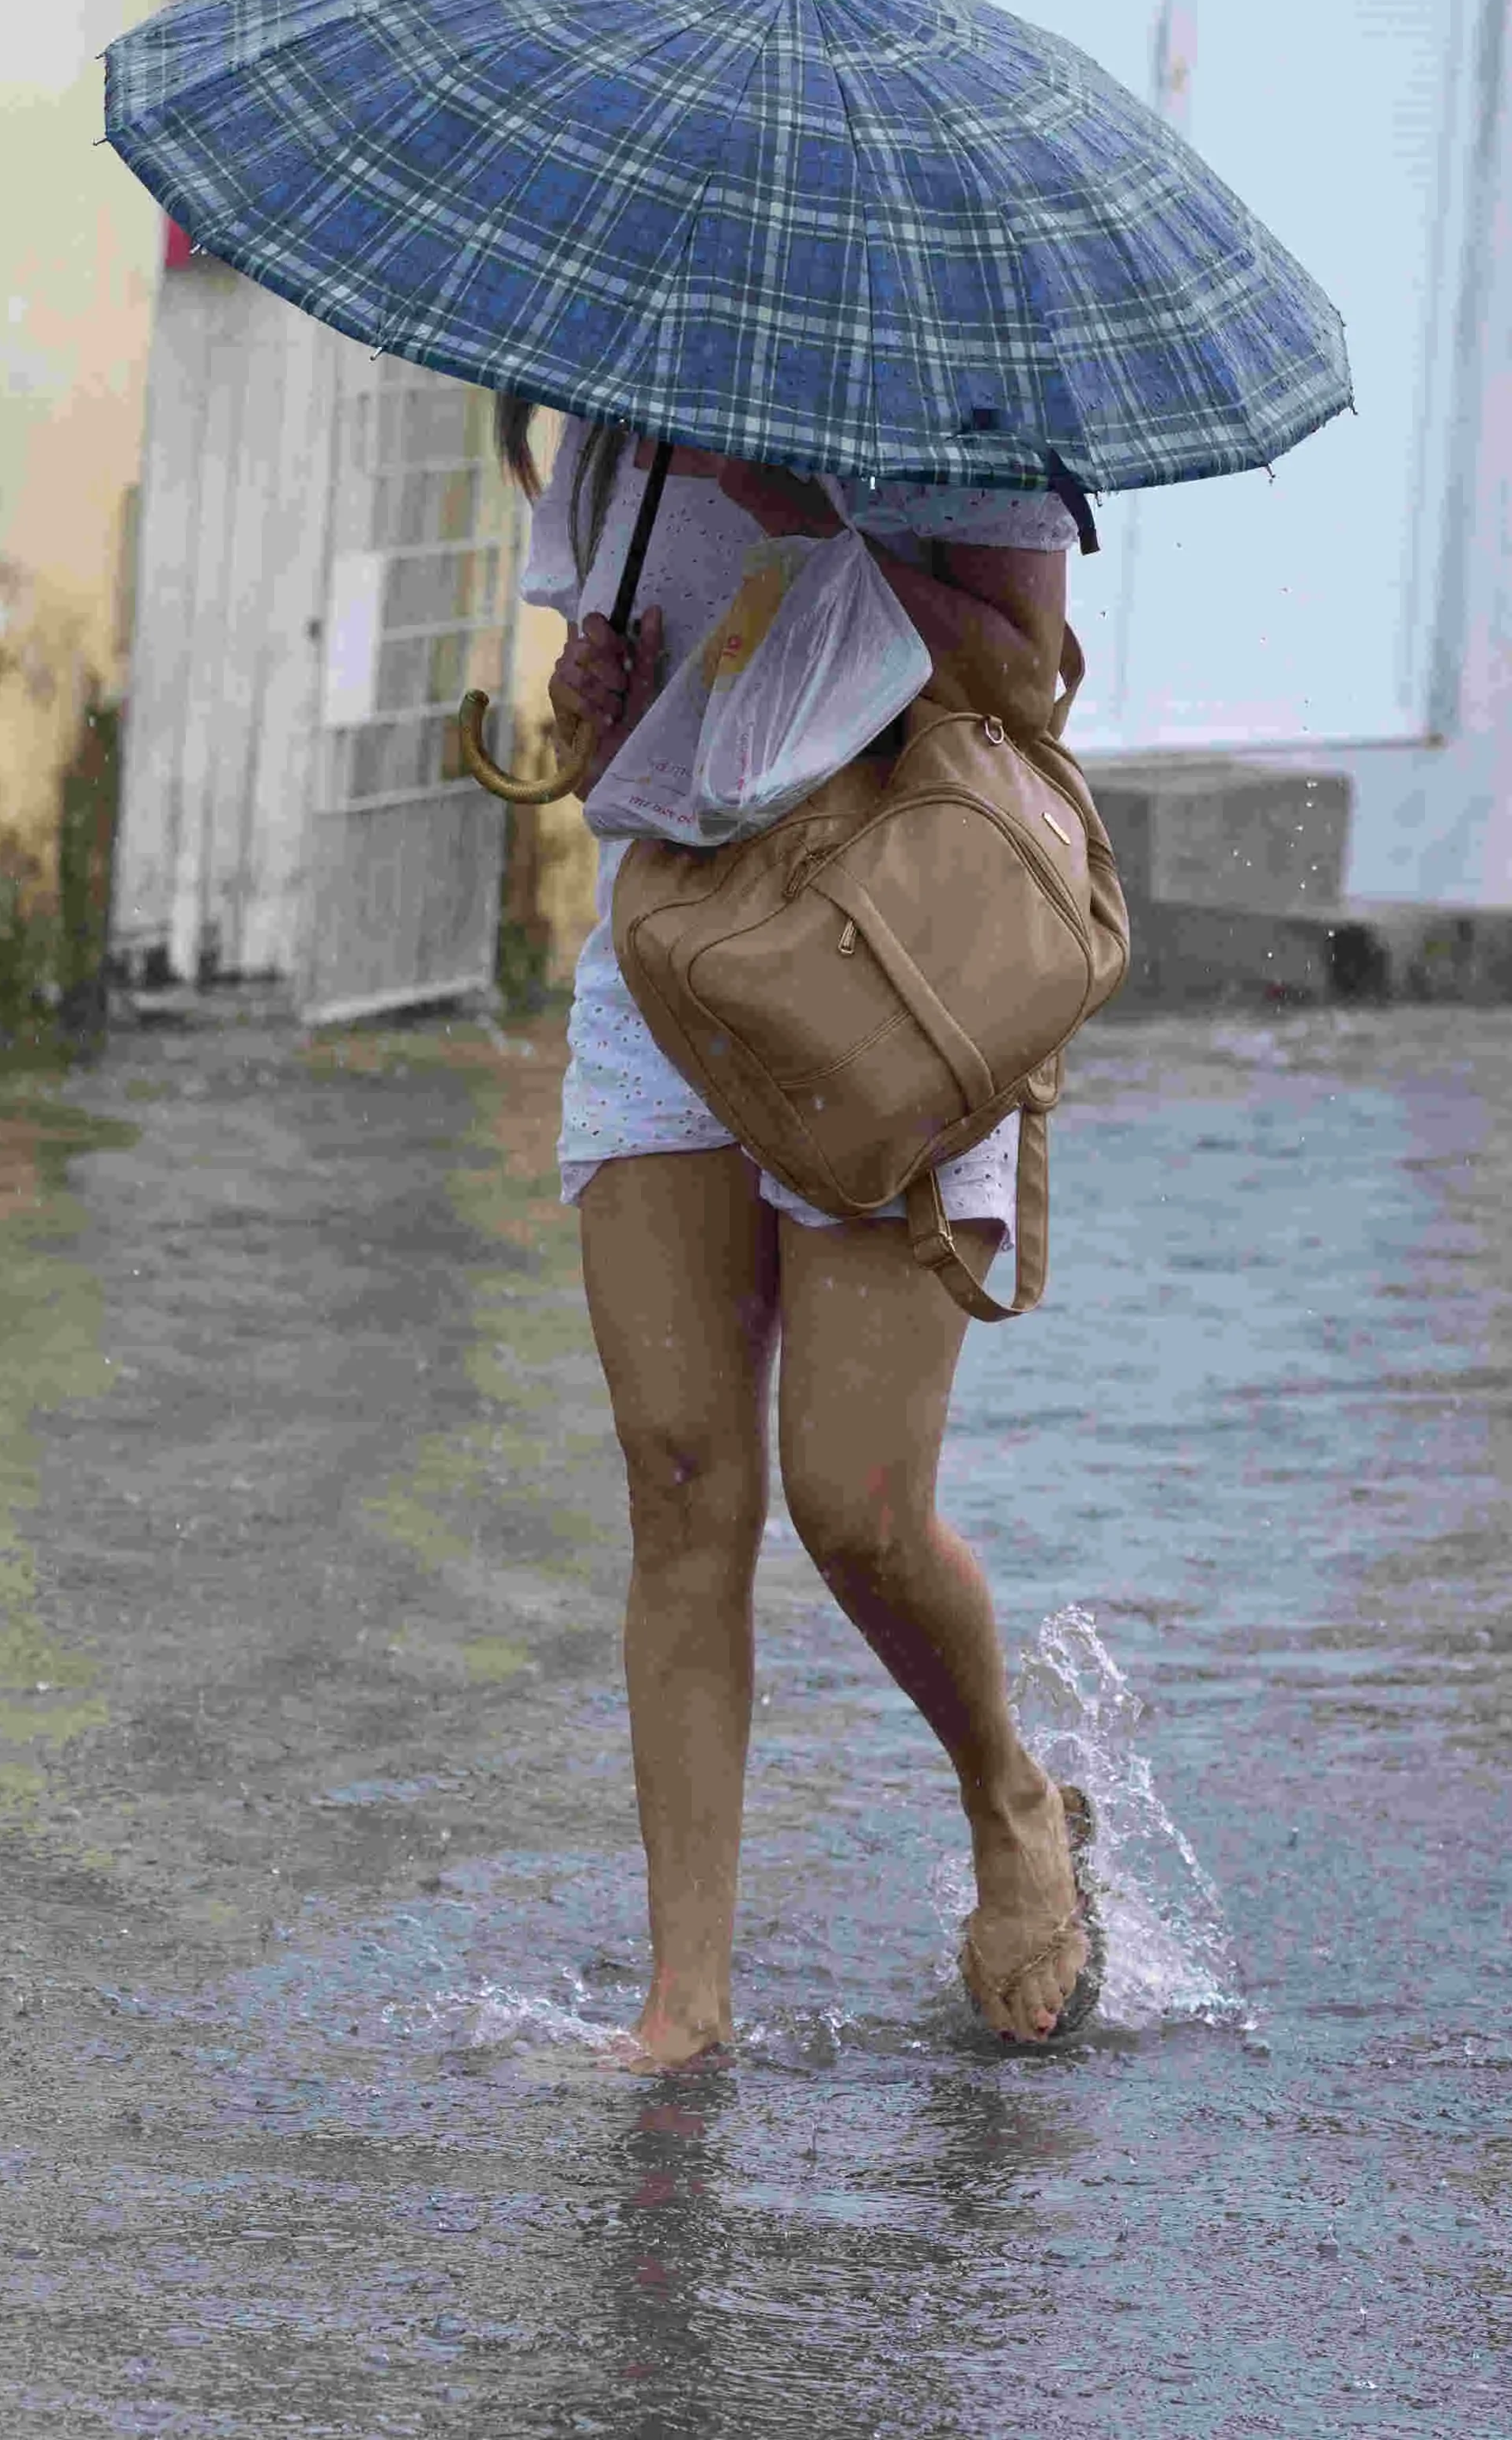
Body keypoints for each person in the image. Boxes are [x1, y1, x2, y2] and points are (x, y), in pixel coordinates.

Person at [503, 396, 1103, 2065]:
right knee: (681, 1475)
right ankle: (685, 2001)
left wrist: (801, 512)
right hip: (677, 950)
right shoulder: (623, 411)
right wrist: (591, 705)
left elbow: (1025, 684)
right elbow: (613, 741)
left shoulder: (965, 389)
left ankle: (1009, 1794)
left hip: (905, 951)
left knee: (858, 1505)